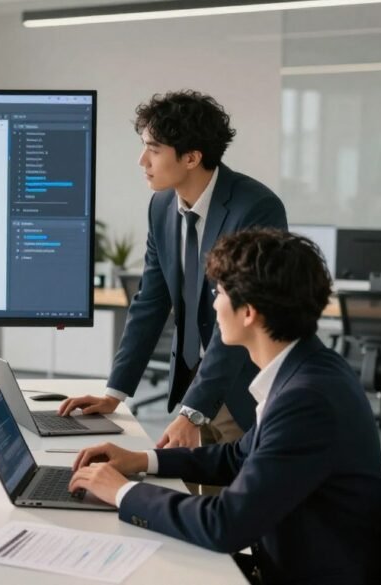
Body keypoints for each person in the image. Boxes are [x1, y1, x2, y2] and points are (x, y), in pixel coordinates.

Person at [68, 228, 381, 584]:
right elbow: (239, 456)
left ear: (248, 312)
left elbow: (226, 524)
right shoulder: (308, 367)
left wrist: (122, 491)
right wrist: (142, 461)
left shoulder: (307, 398)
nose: (213, 305)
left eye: (217, 293)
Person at [59, 90, 287, 451]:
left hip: (242, 387)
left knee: (236, 499)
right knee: (195, 492)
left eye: (153, 149)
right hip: (191, 383)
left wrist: (193, 411)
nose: (141, 160)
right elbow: (150, 301)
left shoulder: (255, 208)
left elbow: (246, 317)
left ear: (192, 157)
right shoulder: (161, 206)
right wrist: (114, 393)